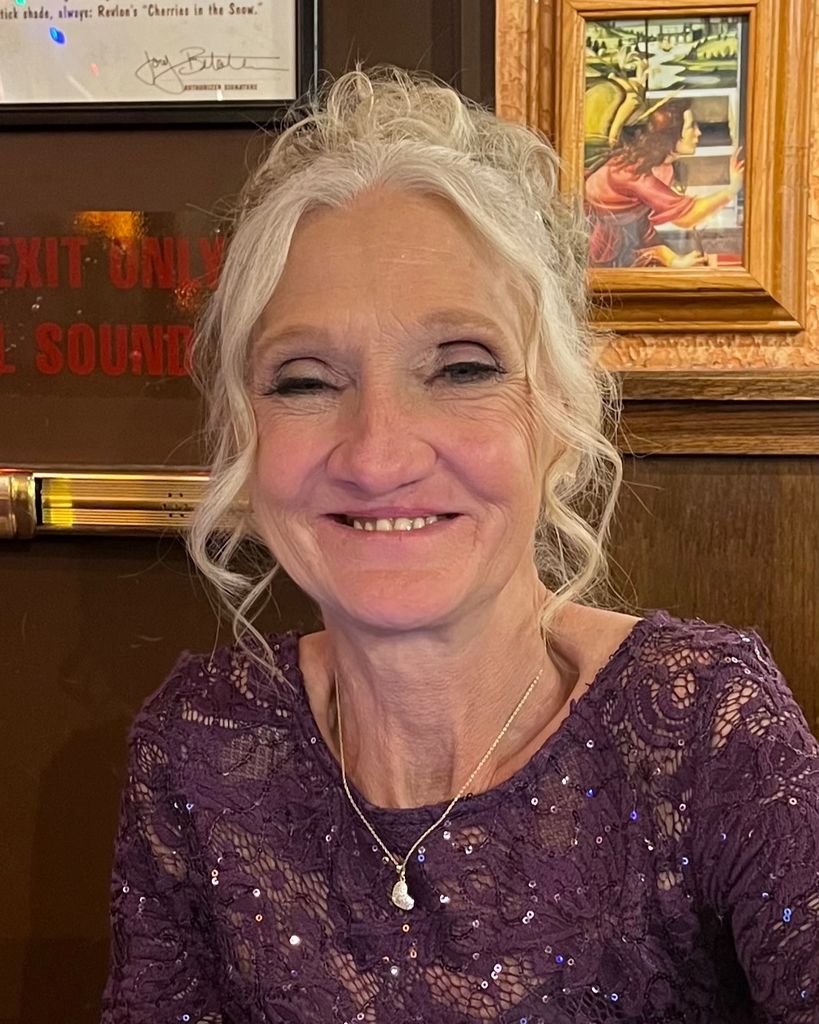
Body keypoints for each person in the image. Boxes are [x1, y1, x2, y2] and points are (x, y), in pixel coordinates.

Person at [101, 69, 818, 1023]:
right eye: (305, 382)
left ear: (559, 411)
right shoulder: (202, 743)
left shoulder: (702, 728)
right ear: (244, 435)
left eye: (462, 369)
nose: (378, 455)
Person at [585, 100, 744, 268]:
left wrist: (671, 258)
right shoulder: (636, 174)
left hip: (627, 236)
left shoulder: (661, 168)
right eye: (691, 127)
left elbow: (642, 219)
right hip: (600, 243)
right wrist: (732, 190)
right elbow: (686, 216)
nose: (698, 132)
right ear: (671, 136)